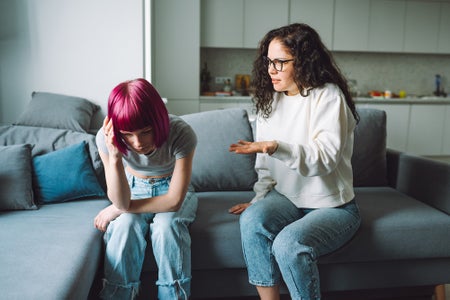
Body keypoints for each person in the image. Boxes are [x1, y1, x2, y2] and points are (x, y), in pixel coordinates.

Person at [228, 23, 362, 300]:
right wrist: (258, 201)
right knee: (252, 220)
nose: (271, 70)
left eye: (280, 62)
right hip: (287, 198)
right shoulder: (270, 101)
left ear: (303, 61)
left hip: (333, 207)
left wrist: (277, 147)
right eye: (268, 61)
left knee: (288, 245)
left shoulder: (328, 96)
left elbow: (324, 159)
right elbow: (265, 167)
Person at [94, 78, 198, 300]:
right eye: (127, 134)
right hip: (132, 188)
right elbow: (120, 200)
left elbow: (173, 202)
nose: (137, 143)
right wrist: (114, 157)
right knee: (124, 226)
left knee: (166, 226)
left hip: (172, 188)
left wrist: (119, 208)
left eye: (146, 131)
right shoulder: (105, 140)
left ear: (159, 121)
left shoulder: (181, 133)